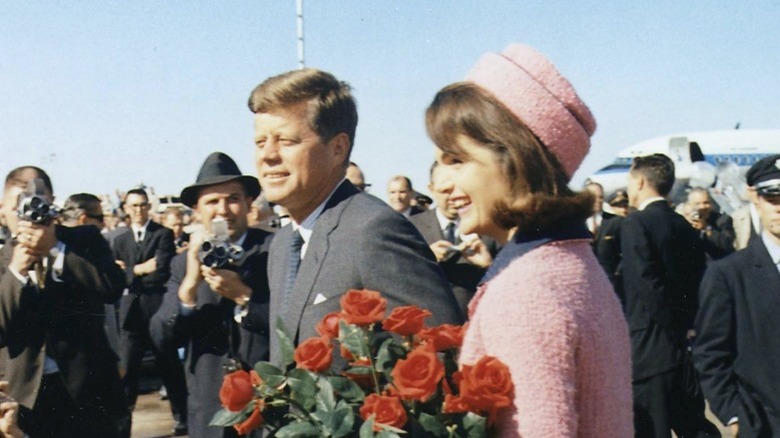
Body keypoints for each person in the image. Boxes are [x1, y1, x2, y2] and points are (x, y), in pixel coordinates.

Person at [426, 43, 632, 436]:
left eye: (456, 160)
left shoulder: (526, 289)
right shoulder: (570, 262)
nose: (441, 182)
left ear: (514, 159)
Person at [248, 68, 463, 366]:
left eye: (286, 141)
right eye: (260, 142)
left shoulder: (374, 230)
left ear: (338, 149)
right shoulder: (284, 244)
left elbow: (440, 351)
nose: (267, 155)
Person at [151, 152, 273, 438]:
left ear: (248, 203)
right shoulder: (183, 263)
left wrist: (244, 296)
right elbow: (161, 338)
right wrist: (190, 285)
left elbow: (291, 323)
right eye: (212, 202)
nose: (223, 210)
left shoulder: (273, 251)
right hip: (210, 409)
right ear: (196, 210)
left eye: (232, 198)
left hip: (267, 404)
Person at [0, 166, 127, 437]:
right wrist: (16, 271)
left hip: (90, 388)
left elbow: (112, 287)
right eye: (18, 209)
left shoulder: (84, 239)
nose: (28, 217)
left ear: (52, 203)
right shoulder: (2, 262)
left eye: (37, 205)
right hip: (26, 397)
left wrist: (57, 250)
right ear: (2, 211)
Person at [621, 154, 719, 437]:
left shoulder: (636, 224)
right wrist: (685, 327)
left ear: (639, 182)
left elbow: (646, 284)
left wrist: (671, 324)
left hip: (648, 349)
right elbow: (699, 280)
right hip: (681, 347)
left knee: (651, 429)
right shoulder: (683, 225)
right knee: (693, 424)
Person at [694, 155, 780, 437]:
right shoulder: (729, 275)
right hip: (765, 424)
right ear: (755, 198)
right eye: (773, 198)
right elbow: (710, 354)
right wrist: (734, 415)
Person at [113, 187, 188, 436]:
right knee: (127, 370)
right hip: (131, 312)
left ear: (149, 206)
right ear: (126, 208)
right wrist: (138, 270)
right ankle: (123, 427)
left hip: (157, 308)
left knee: (168, 366)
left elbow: (161, 269)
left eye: (143, 205)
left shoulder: (162, 233)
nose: (139, 210)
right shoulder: (119, 240)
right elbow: (116, 276)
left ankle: (181, 418)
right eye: (134, 206)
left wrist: (130, 271)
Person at [410, 161, 497, 314]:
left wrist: (488, 265)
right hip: (429, 323)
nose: (455, 196)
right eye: (446, 191)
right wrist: (425, 259)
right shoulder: (412, 227)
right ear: (431, 189)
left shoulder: (488, 226)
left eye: (460, 188)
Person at [683, 188, 735, 260]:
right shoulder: (686, 222)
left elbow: (727, 245)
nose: (702, 207)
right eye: (697, 204)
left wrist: (706, 228)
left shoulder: (723, 220)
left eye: (706, 202)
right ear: (690, 205)